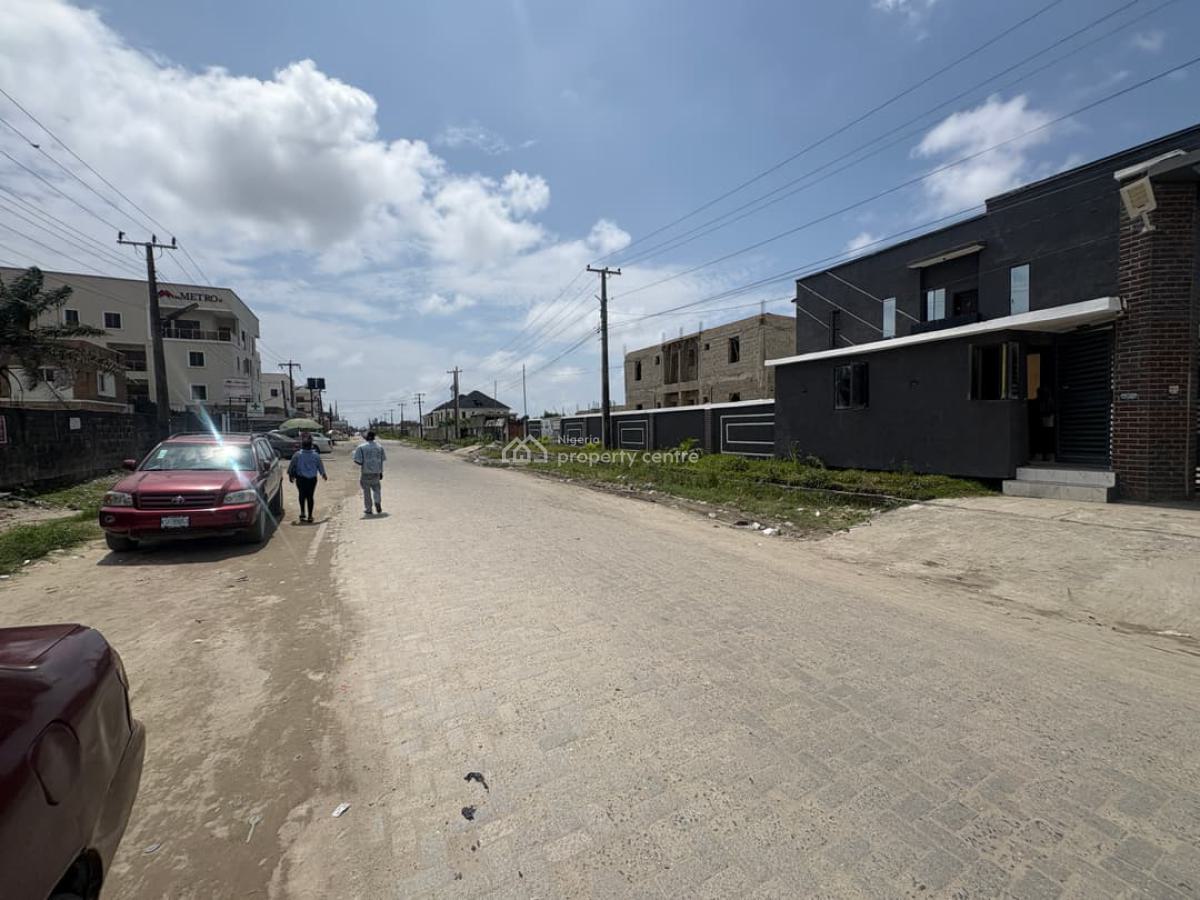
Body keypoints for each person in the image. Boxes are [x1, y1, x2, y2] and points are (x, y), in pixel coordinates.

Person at [287, 433, 327, 523]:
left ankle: (302, 513)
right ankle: (310, 516)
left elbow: (291, 466)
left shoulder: (297, 455)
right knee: (310, 496)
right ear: (311, 445)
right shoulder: (316, 455)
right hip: (312, 479)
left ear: (302, 445)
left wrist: (290, 476)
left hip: (300, 479)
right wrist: (323, 474)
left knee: (301, 494)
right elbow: (320, 466)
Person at [352, 430, 387, 515]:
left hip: (366, 472)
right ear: (374, 437)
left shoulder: (361, 447)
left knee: (366, 492)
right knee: (377, 489)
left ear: (366, 437)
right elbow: (382, 460)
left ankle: (368, 509)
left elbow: (358, 461)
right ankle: (377, 501)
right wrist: (381, 472)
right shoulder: (379, 447)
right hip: (377, 472)